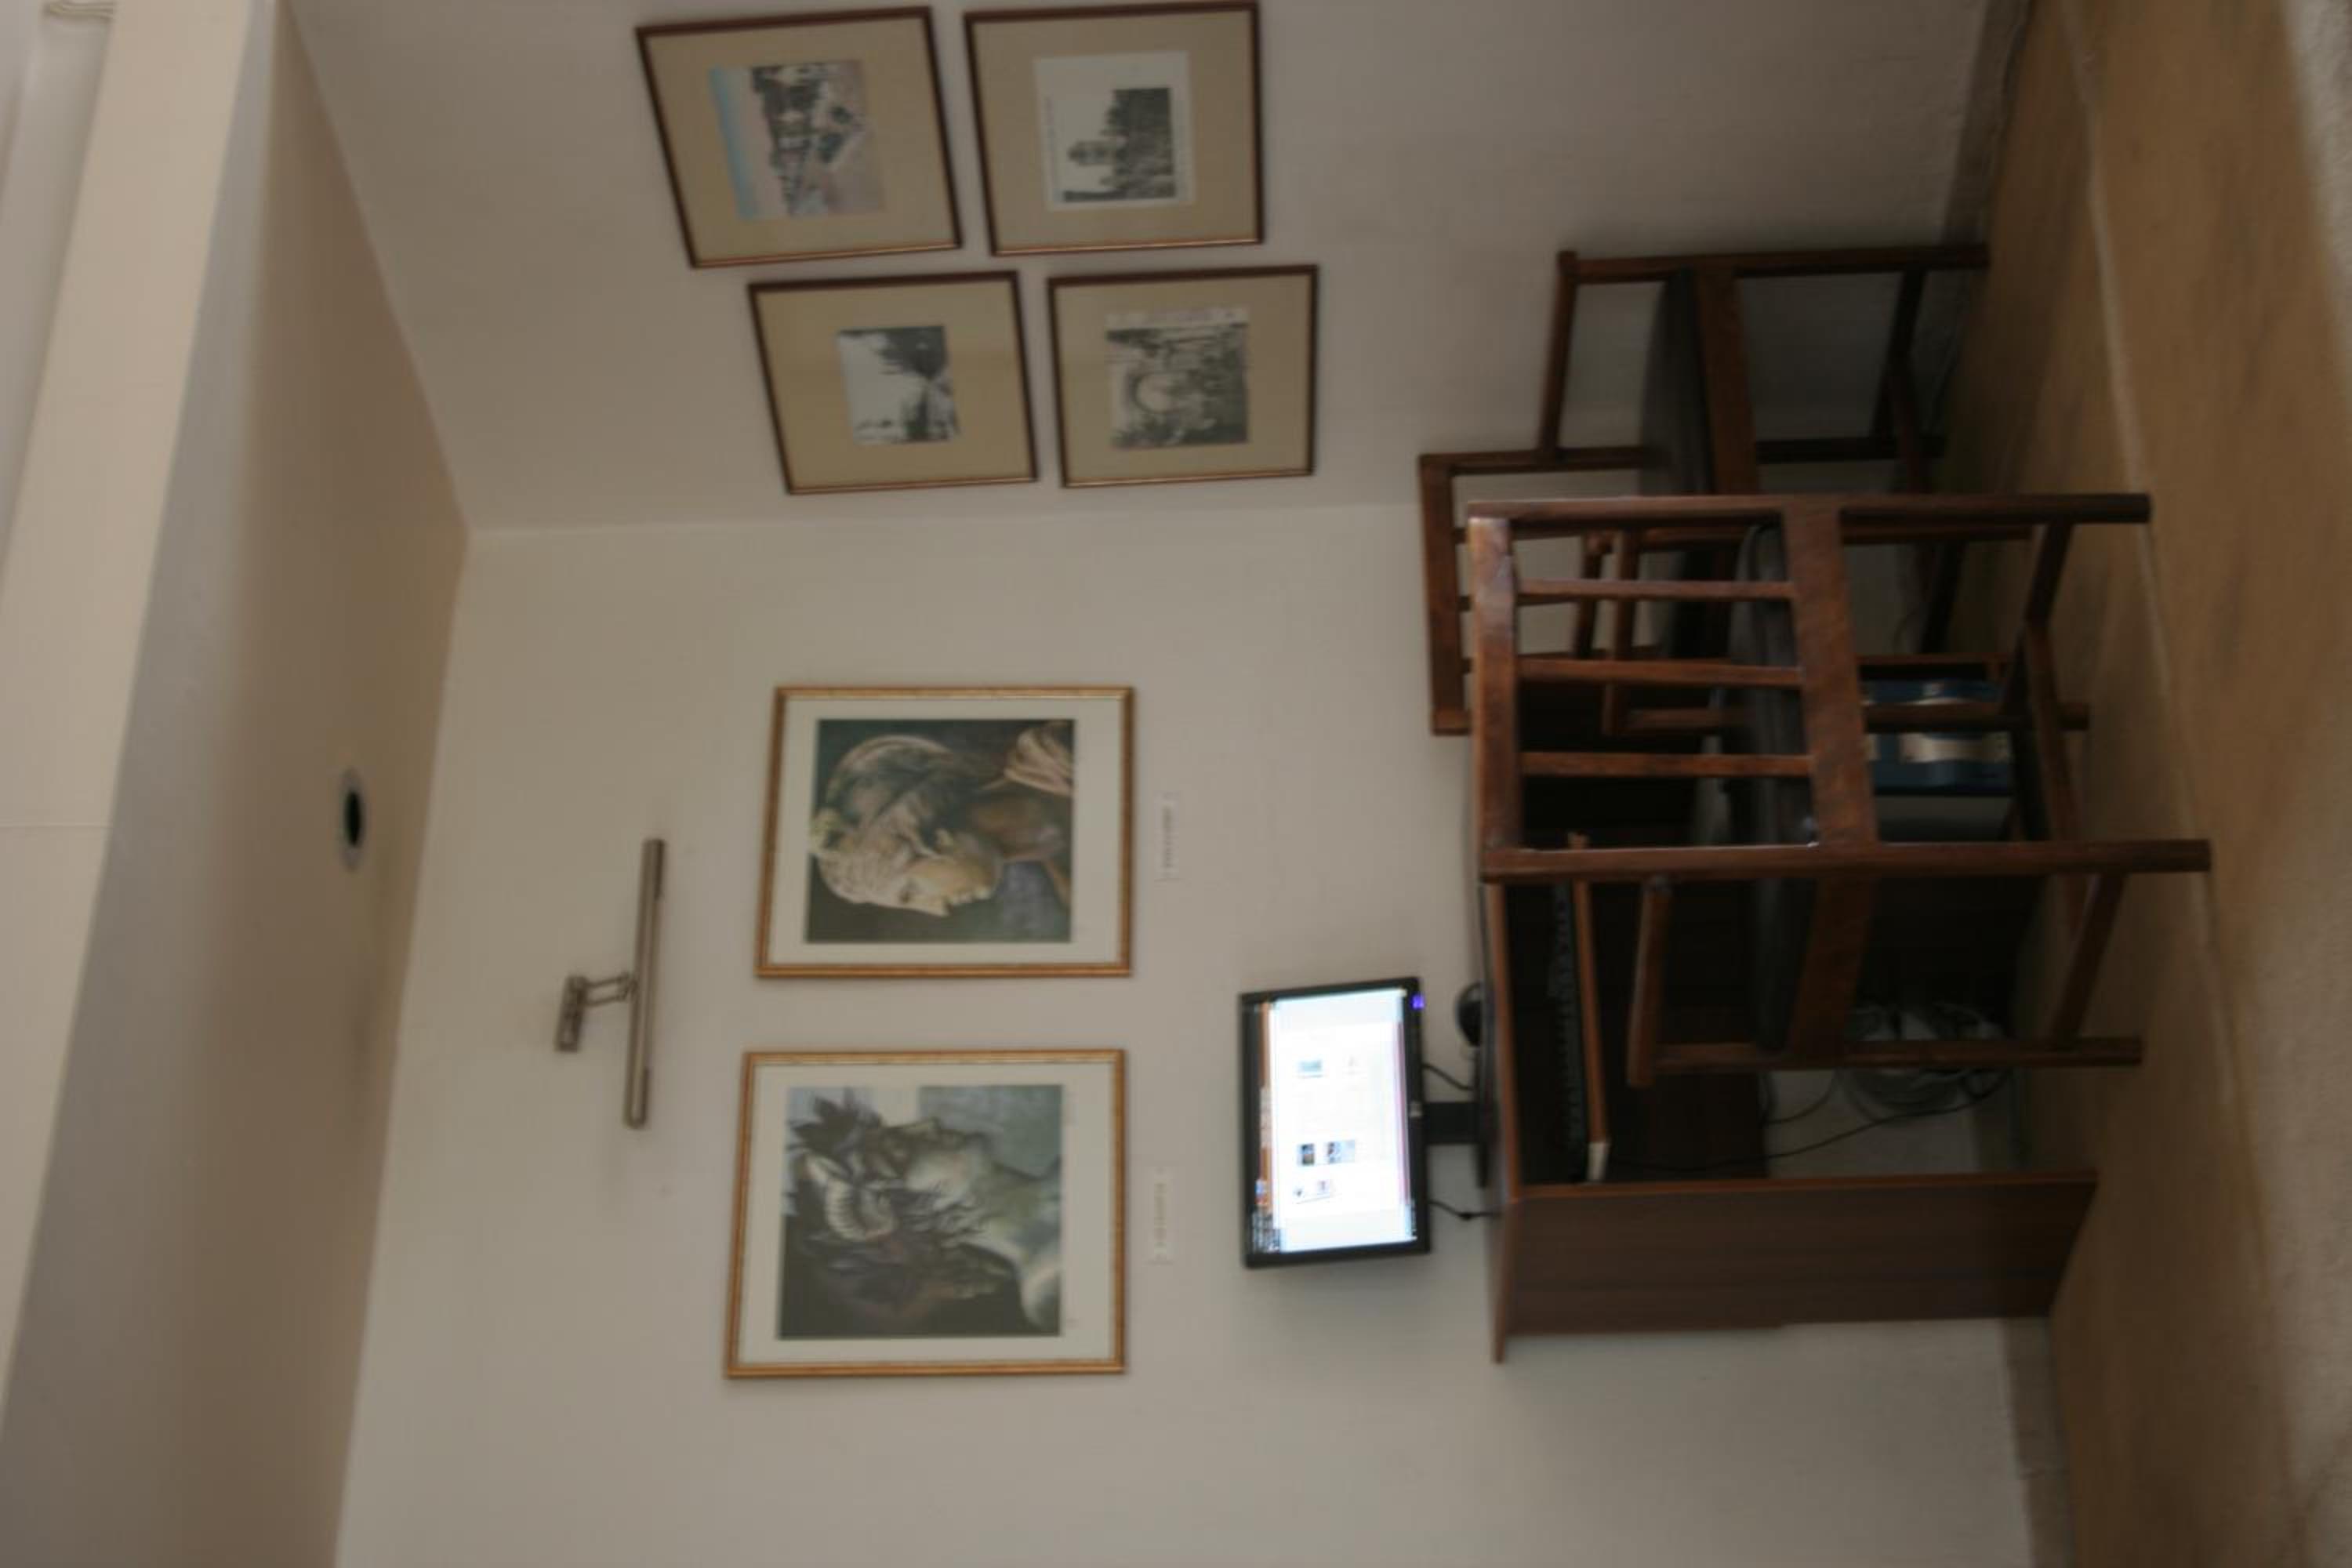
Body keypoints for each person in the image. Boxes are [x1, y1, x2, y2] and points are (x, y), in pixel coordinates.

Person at [809, 721, 1073, 919]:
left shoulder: (1065, 750)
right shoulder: (1065, 888)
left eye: (910, 892)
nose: (939, 911)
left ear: (937, 838)